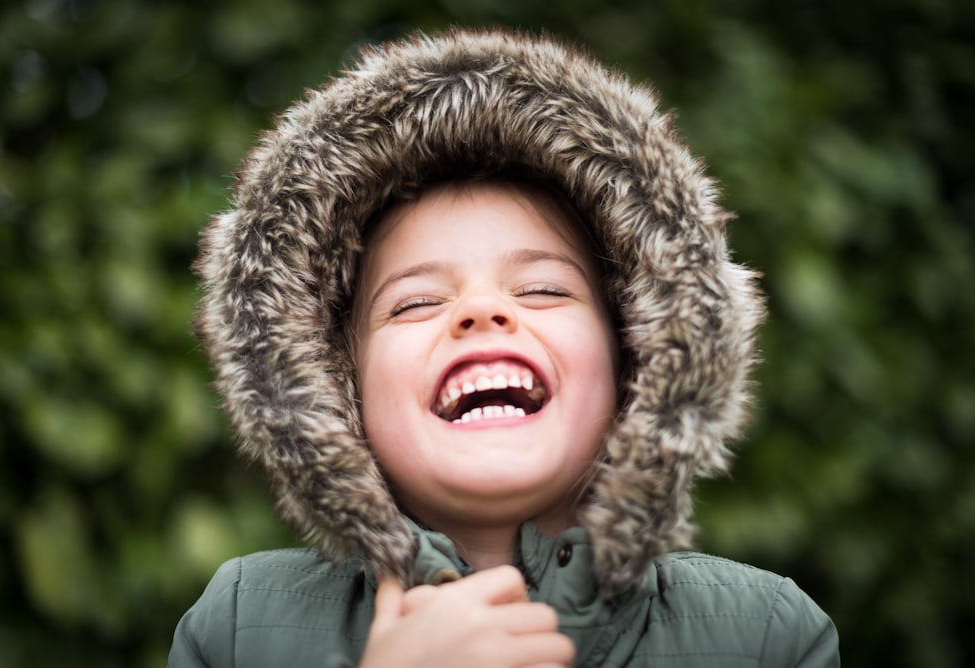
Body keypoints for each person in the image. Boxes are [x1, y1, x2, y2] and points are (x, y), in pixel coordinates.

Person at [169, 27, 840, 668]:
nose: (482, 310)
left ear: (636, 363)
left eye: (544, 290)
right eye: (416, 302)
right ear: (336, 387)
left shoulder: (766, 634)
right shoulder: (235, 624)